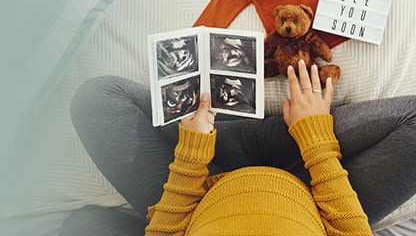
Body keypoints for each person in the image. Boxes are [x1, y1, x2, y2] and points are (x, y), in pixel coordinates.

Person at [62, 60, 416, 235]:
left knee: (97, 101)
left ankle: (229, 137)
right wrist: (315, 137)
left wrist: (192, 153)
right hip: (310, 194)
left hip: (204, 196)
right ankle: (271, 130)